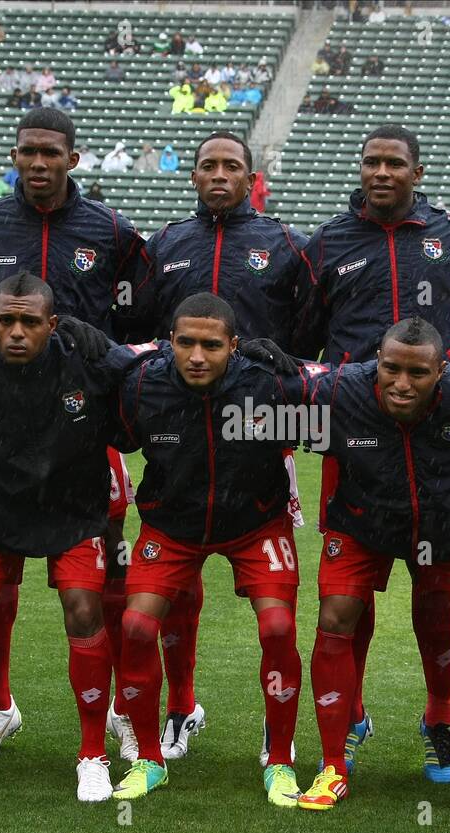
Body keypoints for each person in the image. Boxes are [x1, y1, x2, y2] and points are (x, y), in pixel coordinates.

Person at [0, 108, 146, 750]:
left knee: (104, 565)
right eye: (27, 152)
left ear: (74, 157)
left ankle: (117, 708)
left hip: (82, 429)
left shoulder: (111, 231)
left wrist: (108, 354)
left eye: (50, 153)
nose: (38, 164)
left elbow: (142, 320)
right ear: (15, 155)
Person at [293, 125, 450, 781]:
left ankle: (438, 717)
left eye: (393, 163)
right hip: (357, 439)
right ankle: (351, 711)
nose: (381, 172)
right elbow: (304, 342)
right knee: (350, 591)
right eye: (370, 160)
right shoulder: (328, 243)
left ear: (417, 171)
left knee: (436, 591)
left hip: (439, 442)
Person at [0, 272, 141, 798]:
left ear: (53, 324)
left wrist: (106, 346)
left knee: (85, 610)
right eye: (7, 321)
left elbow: (142, 374)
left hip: (73, 512)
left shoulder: (84, 360)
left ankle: (92, 755)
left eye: (30, 322)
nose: (18, 332)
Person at [127, 134, 311, 761]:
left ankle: (284, 731)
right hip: (180, 432)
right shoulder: (168, 243)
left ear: (251, 177)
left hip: (254, 437)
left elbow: (307, 331)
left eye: (232, 166)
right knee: (174, 587)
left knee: (277, 612)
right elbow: (144, 329)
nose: (219, 175)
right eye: (208, 165)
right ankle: (181, 707)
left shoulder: (286, 245)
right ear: (194, 175)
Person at [295, 317, 450, 818]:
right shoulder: (341, 389)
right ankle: (332, 765)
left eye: (417, 373)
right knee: (335, 615)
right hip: (364, 524)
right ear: (376, 363)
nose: (401, 383)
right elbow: (280, 377)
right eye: (390, 368)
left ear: (443, 370)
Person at [110, 294, 309, 806]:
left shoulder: (268, 386)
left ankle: (281, 756)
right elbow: (117, 434)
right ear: (169, 343)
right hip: (173, 524)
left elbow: (324, 422)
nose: (197, 355)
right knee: (135, 627)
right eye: (186, 343)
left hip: (256, 522)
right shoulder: (142, 386)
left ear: (234, 346)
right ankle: (149, 760)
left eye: (212, 345)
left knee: (280, 627)